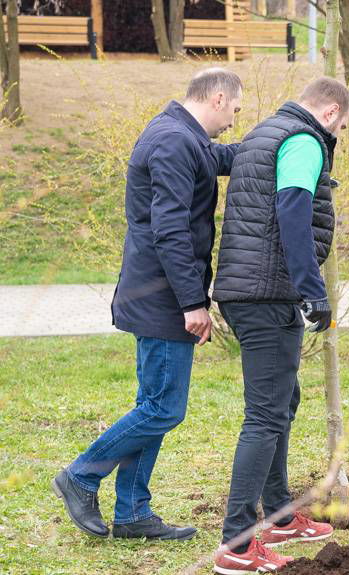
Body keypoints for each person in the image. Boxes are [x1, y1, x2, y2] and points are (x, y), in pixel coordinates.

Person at [51, 68, 243, 540]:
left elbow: (220, 156)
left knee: (153, 402)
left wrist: (277, 140)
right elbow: (170, 231)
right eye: (236, 111)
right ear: (218, 98)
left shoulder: (183, 137)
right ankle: (80, 475)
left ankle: (133, 511)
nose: (235, 121)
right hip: (162, 296)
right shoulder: (174, 141)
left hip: (160, 293)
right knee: (163, 408)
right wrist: (193, 303)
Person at [210, 77, 349, 574]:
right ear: (331, 113)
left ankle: (279, 516)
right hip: (268, 292)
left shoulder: (261, 133)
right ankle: (237, 543)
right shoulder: (302, 140)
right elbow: (293, 209)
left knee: (282, 401)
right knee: (266, 415)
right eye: (342, 128)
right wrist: (313, 292)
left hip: (246, 289)